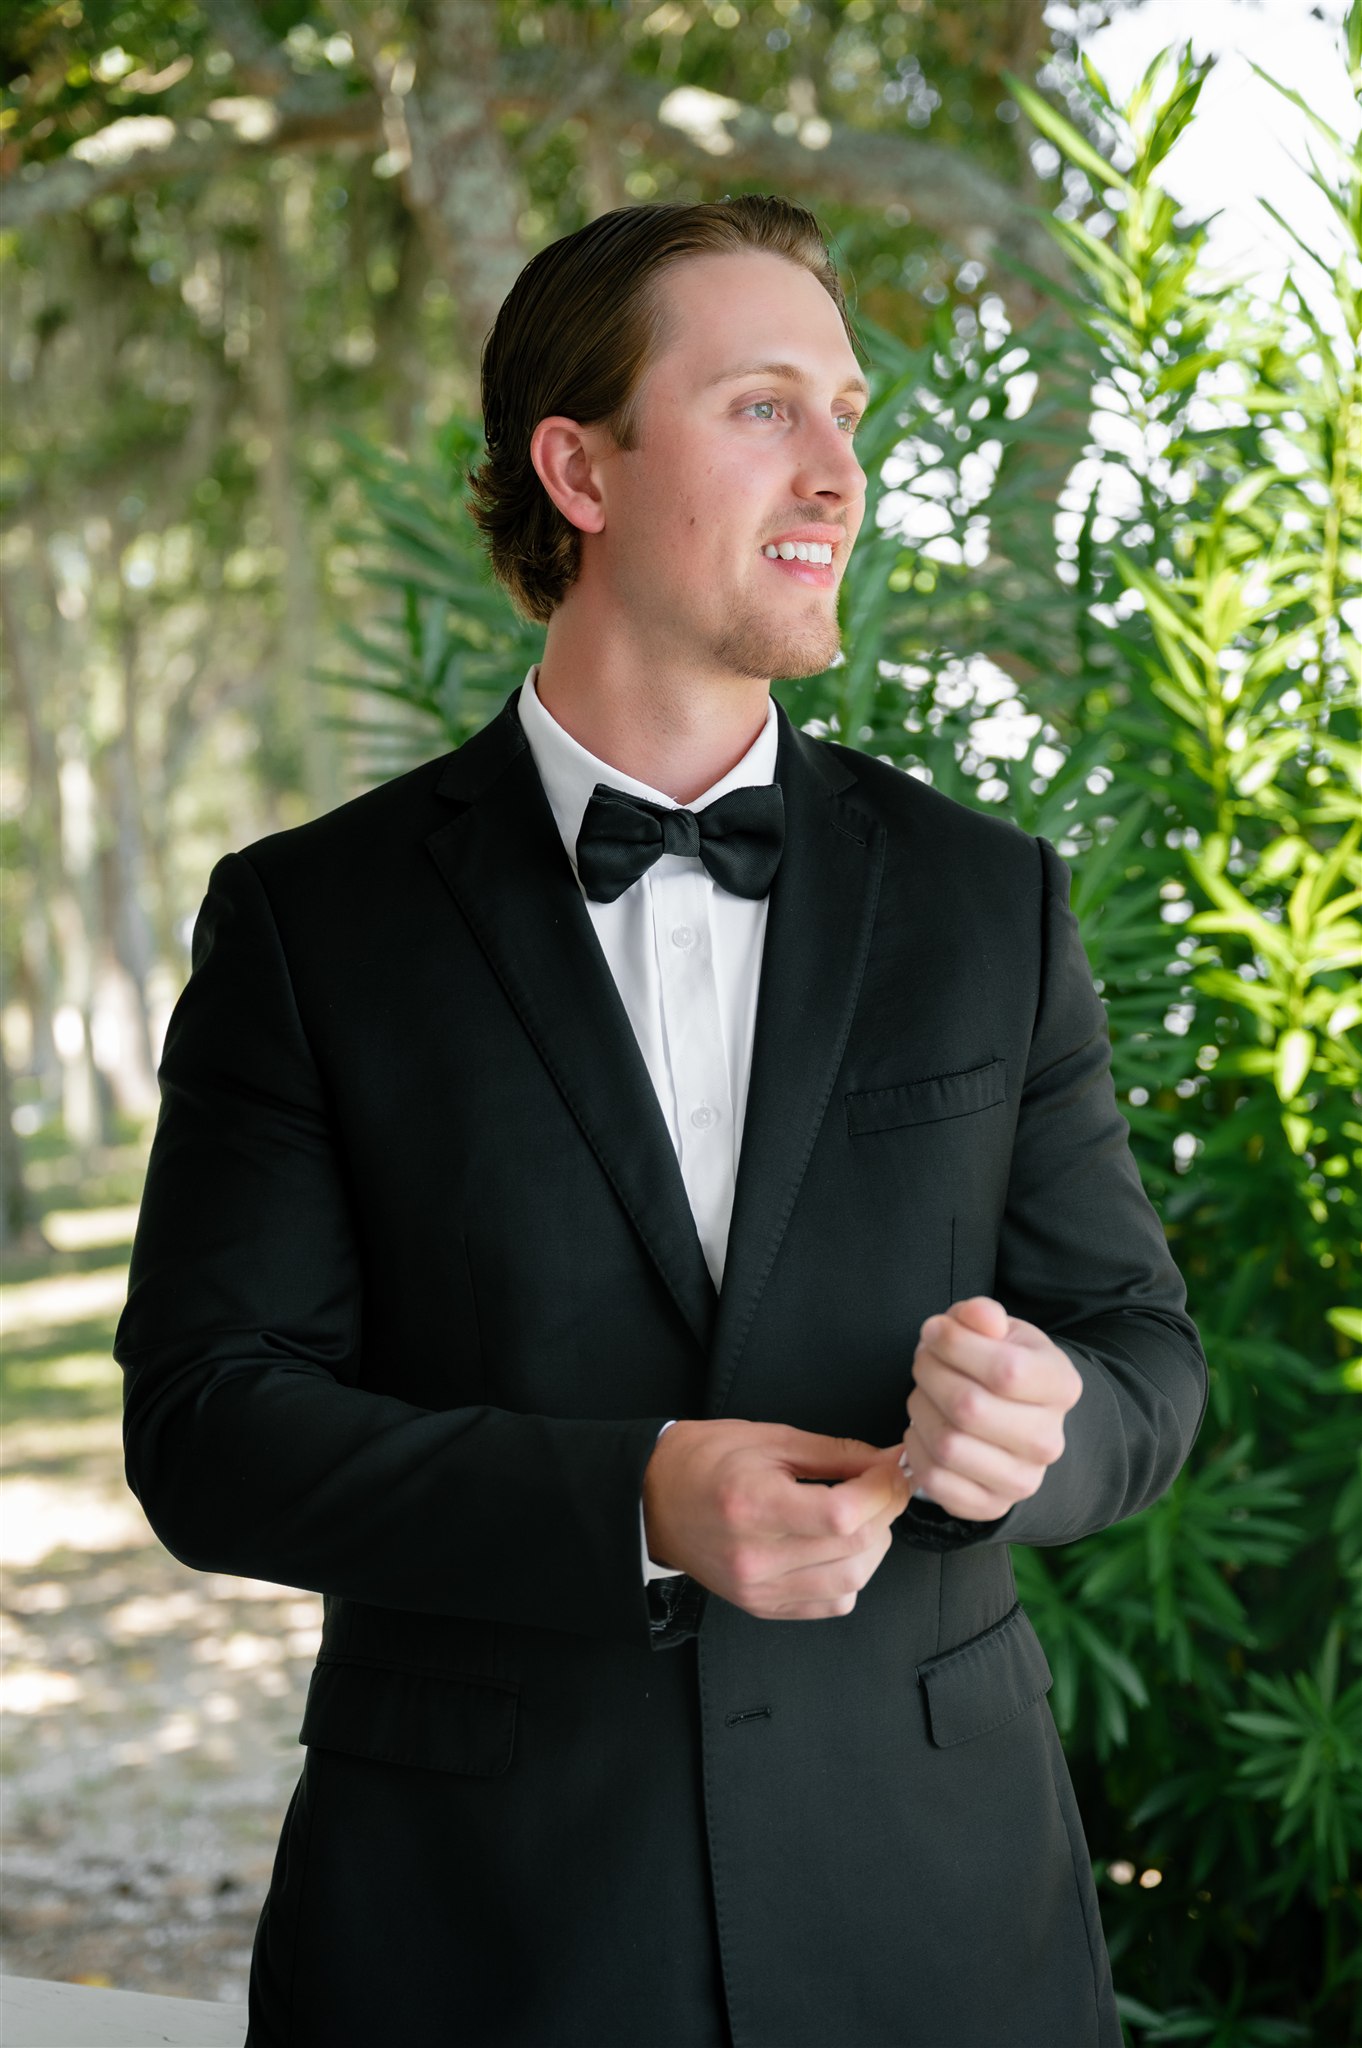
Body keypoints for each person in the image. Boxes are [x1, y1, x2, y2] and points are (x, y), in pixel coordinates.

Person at [116, 195, 1208, 2048]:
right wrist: (628, 1500)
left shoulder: (988, 901)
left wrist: (1046, 1431)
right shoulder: (313, 923)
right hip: (482, 1935)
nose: (839, 473)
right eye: (764, 407)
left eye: (846, 413)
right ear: (580, 470)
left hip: (940, 1923)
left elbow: (1144, 1360)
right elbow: (207, 1426)